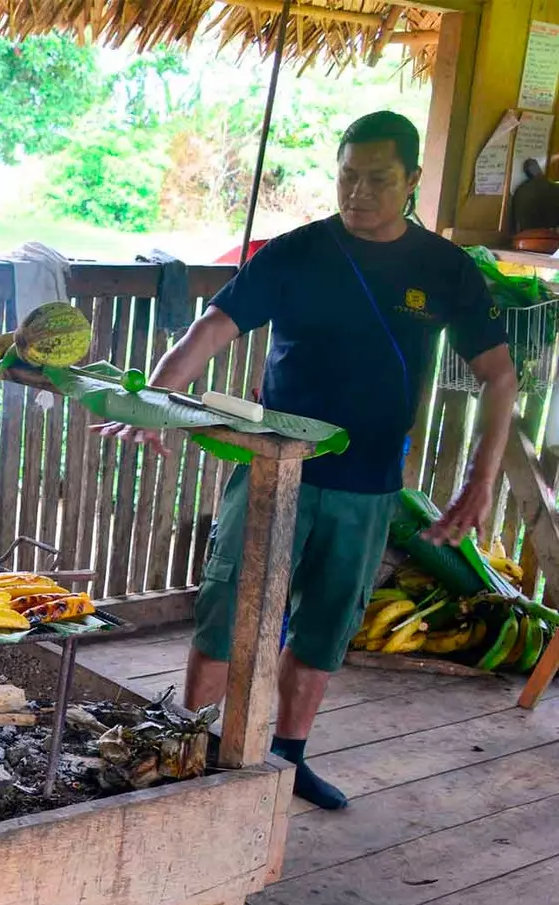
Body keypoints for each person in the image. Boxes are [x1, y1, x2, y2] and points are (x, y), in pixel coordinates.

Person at [103, 111, 518, 810]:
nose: (359, 192)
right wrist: (155, 403)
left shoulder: (444, 270)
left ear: (413, 179)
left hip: (368, 484)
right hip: (272, 473)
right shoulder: (298, 252)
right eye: (347, 176)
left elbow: (500, 376)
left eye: (379, 179)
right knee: (227, 611)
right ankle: (187, 754)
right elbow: (215, 326)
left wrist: (480, 483)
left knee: (327, 626)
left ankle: (288, 761)